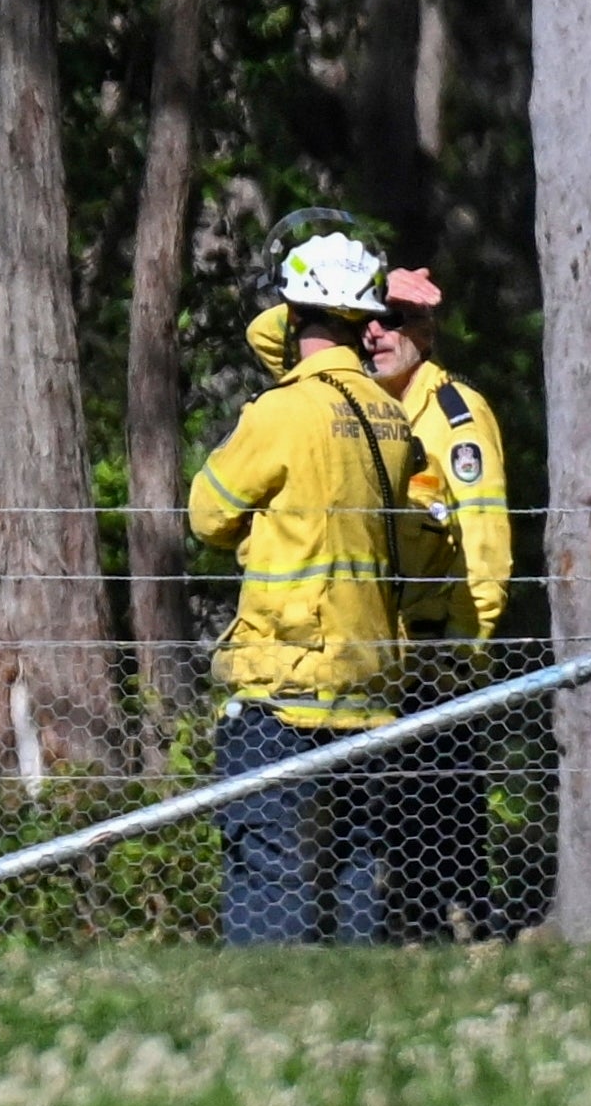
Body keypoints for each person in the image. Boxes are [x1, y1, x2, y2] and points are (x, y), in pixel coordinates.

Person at [189, 233, 456, 945]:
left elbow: (207, 514)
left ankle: (267, 1032)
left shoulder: (281, 412)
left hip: (284, 690)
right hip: (368, 693)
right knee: (353, 875)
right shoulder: (391, 417)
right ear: (364, 316)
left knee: (271, 877)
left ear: (293, 307)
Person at [241, 263, 514, 935]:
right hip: (382, 659)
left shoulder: (455, 417)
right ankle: (409, 948)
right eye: (367, 322)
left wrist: (459, 658)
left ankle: (467, 946)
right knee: (388, 836)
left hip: (436, 662)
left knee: (443, 836)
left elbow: (484, 548)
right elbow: (267, 335)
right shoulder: (361, 410)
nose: (377, 335)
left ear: (427, 330)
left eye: (395, 322)